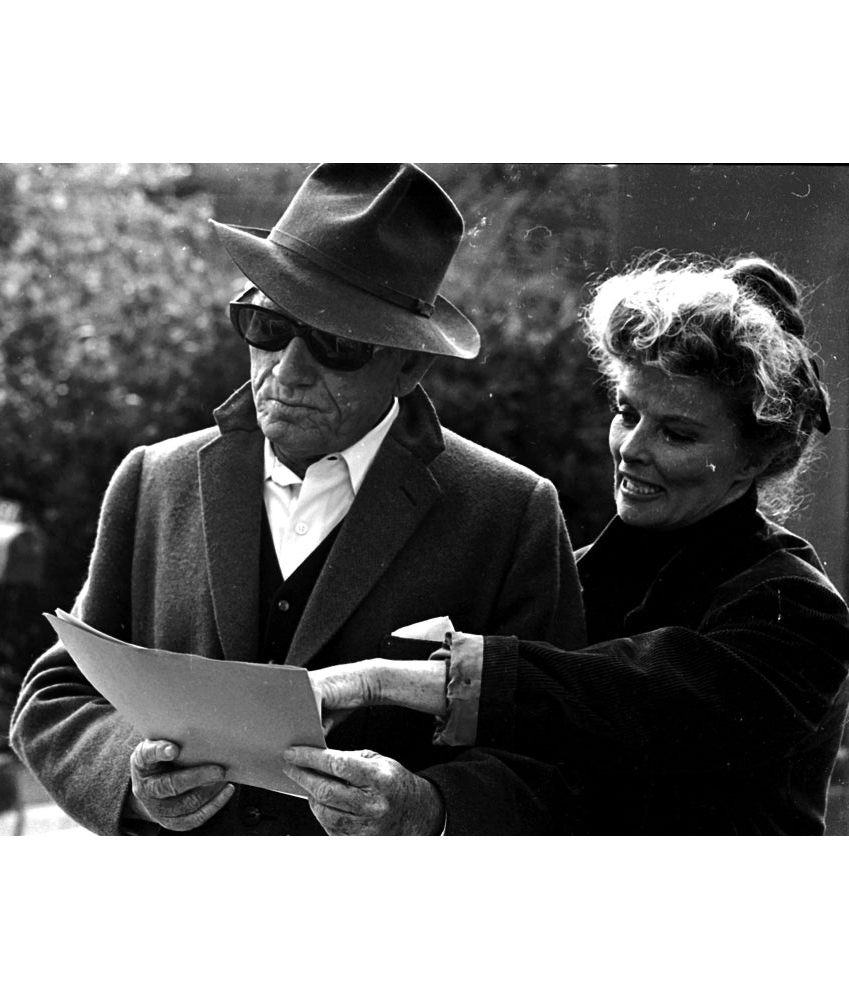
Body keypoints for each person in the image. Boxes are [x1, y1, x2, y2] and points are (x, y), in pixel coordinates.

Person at [9, 163, 586, 836]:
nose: (286, 369)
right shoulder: (153, 481)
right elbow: (54, 695)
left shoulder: (510, 513)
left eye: (335, 344)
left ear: (410, 365)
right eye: (266, 324)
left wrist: (429, 810)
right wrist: (131, 780)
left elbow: (558, 759)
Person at [288, 254, 849, 834]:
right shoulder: (570, 572)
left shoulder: (797, 609)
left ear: (756, 459)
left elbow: (636, 696)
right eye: (626, 413)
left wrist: (393, 678)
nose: (631, 447)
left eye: (676, 433)